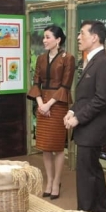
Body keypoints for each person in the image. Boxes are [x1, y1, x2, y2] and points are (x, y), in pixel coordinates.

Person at [64, 20, 106, 212]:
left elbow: (102, 99)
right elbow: (85, 95)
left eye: (82, 33)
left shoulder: (103, 63)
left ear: (94, 37)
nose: (78, 37)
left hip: (93, 128)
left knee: (86, 174)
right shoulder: (91, 60)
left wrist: (78, 118)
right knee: (92, 171)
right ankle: (102, 211)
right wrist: (72, 111)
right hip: (87, 126)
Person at [27, 25, 75, 200]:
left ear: (58, 39)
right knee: (45, 147)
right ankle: (49, 181)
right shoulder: (40, 58)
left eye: (48, 37)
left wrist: (49, 105)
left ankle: (56, 183)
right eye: (44, 37)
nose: (44, 40)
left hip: (58, 103)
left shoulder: (68, 58)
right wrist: (41, 103)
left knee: (57, 147)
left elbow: (65, 86)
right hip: (42, 102)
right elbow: (36, 83)